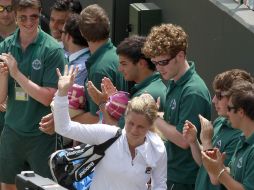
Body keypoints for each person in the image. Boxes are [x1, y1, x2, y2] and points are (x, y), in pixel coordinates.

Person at [53, 65, 167, 190]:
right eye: (131, 123)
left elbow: (160, 185)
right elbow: (64, 128)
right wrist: (62, 93)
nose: (134, 130)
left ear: (150, 125)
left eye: (141, 127)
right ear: (126, 117)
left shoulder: (157, 147)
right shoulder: (106, 134)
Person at [0, 0, 65, 189]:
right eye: (23, 17)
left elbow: (48, 97)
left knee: (43, 186)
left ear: (40, 14)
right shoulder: (6, 46)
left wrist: (16, 74)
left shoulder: (51, 49)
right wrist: (3, 77)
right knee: (8, 185)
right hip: (12, 131)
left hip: (41, 135)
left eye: (34, 17)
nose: (29, 22)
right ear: (15, 16)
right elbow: (1, 99)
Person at [142, 23, 212, 190]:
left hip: (183, 179)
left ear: (180, 56)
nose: (159, 68)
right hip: (170, 172)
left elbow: (183, 140)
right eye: (155, 63)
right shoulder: (175, 82)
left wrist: (152, 114)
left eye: (163, 62)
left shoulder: (193, 91)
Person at [183, 69, 253, 190]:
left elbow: (215, 178)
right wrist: (194, 141)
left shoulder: (241, 135)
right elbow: (206, 166)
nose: (214, 100)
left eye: (220, 96)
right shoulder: (223, 123)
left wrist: (206, 141)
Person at [87, 35, 166, 127]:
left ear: (141, 63)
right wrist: (114, 97)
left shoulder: (145, 96)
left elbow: (121, 132)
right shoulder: (153, 86)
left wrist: (102, 103)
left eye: (124, 64)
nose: (120, 69)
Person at [201, 81, 254, 190]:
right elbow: (235, 174)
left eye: (230, 109)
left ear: (240, 112)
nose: (227, 113)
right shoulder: (243, 140)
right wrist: (219, 167)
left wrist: (219, 172)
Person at [0, 0, 16, 137]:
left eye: (9, 8)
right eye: (0, 8)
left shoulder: (27, 34)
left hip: (19, 110)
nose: (5, 13)